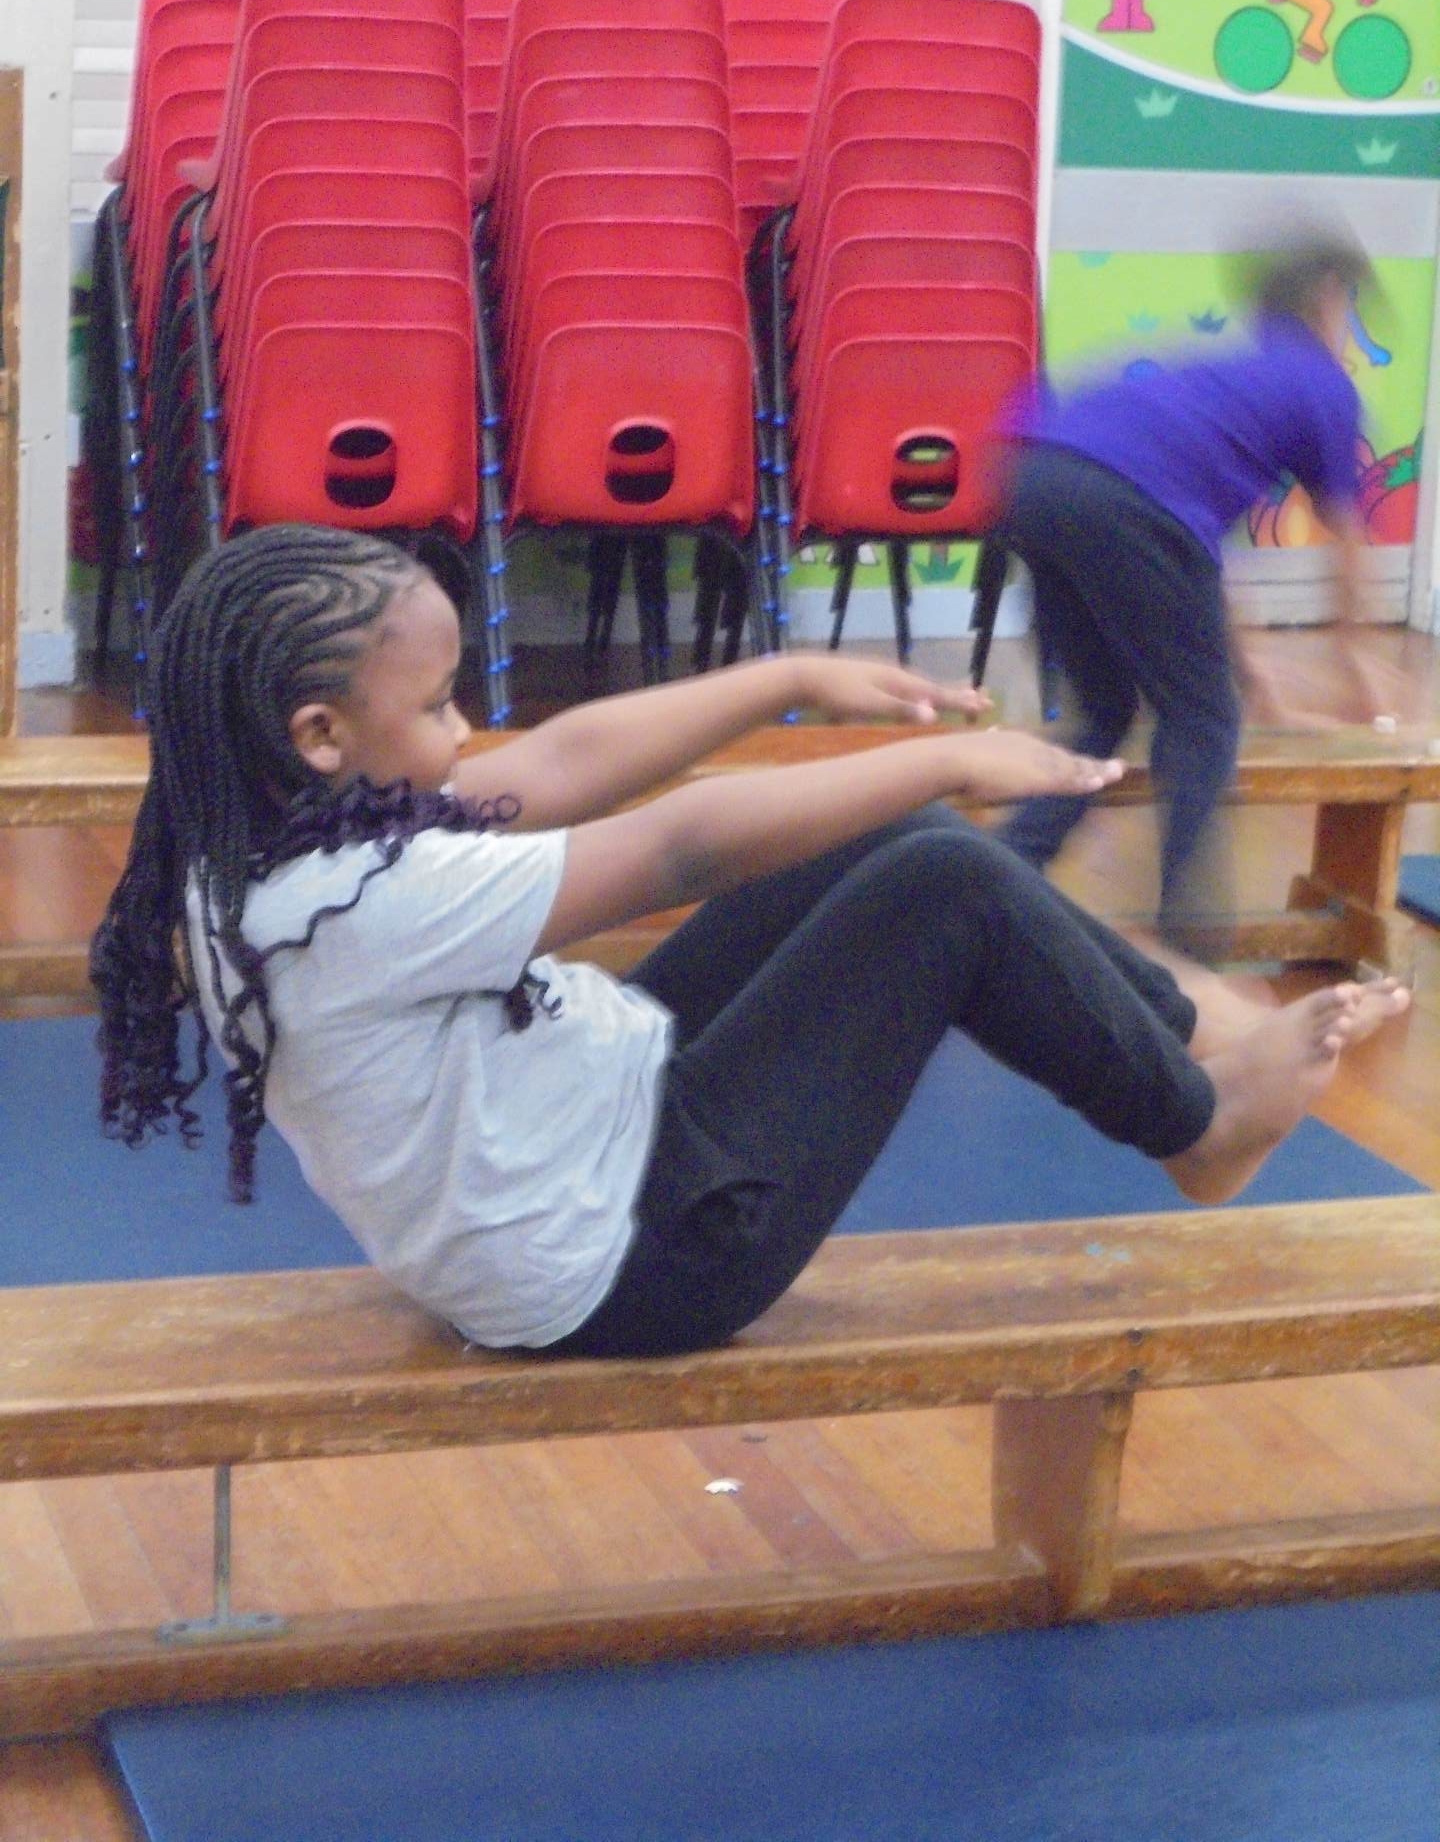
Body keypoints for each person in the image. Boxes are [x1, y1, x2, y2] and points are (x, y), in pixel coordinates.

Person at [91, 525, 1408, 1359]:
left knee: (888, 844)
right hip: (639, 1260)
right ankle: (1197, 1123)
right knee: (945, 875)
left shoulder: (268, 838)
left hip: (595, 1134)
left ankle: (1196, 1052)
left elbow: (564, 760)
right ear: (320, 735)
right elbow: (680, 848)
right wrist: (946, 760)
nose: (466, 728)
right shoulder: (360, 902)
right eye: (437, 705)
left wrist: (788, 678)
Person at [992, 231, 1383, 954]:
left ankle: (1000, 876)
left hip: (1034, 475)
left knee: (1105, 711)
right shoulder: (1321, 383)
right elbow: (1347, 541)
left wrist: (1252, 672)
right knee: (1202, 723)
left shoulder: (1227, 376)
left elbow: (1193, 564)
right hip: (1126, 501)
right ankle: (1188, 945)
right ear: (1327, 300)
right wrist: (1355, 665)